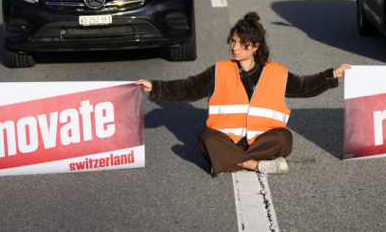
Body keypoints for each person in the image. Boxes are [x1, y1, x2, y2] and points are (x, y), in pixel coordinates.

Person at [135, 12, 350, 176]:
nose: (233, 47)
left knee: (284, 138)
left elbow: (304, 86)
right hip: (228, 140)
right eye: (232, 41)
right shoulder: (219, 69)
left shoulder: (276, 72)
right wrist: (156, 87)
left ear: (255, 46)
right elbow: (190, 87)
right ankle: (255, 165)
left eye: (239, 43)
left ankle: (229, 161)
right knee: (205, 138)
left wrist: (332, 75)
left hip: (262, 140)